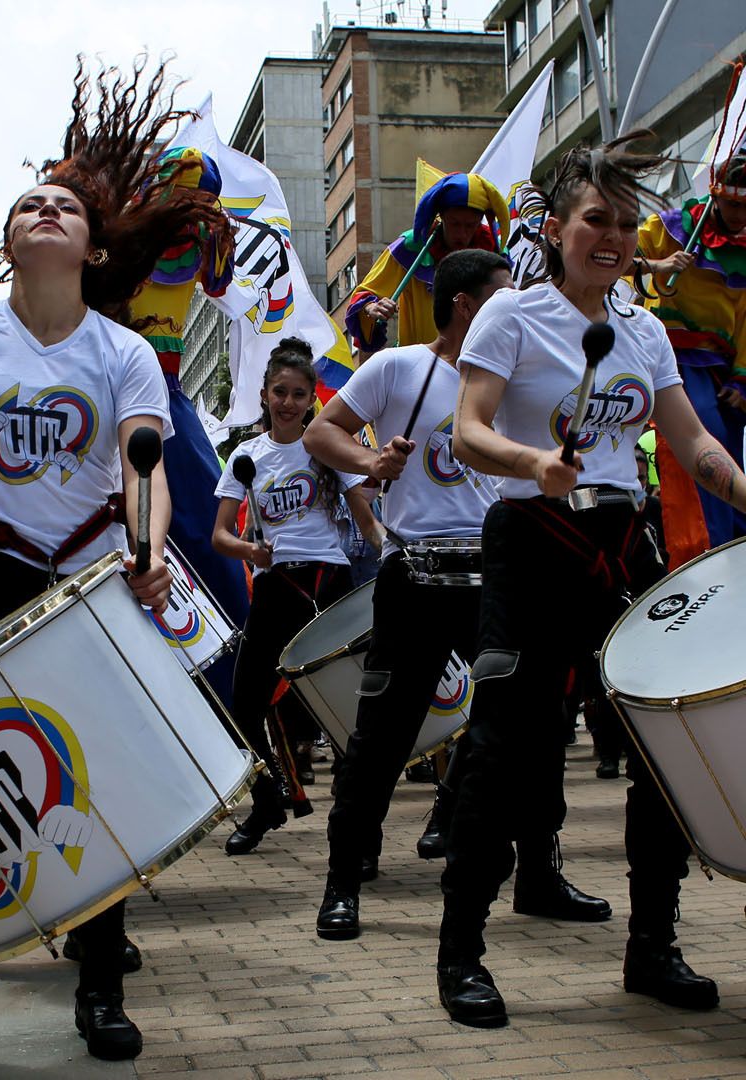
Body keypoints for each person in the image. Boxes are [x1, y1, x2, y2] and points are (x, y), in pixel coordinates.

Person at [0, 66, 217, 1074]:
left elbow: (144, 468)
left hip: (97, 587)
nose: (45, 210)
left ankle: (100, 988)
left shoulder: (123, 354)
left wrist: (149, 555)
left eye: (63, 204)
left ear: (94, 247)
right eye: (29, 203)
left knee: (95, 787)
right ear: (9, 240)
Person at [435, 135, 746, 1028]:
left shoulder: (645, 329)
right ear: (560, 229)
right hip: (531, 533)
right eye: (594, 221)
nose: (611, 237)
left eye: (624, 223)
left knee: (660, 744)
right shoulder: (512, 318)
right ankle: (462, 954)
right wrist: (535, 462)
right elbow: (468, 432)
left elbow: (694, 445)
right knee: (506, 748)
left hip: (621, 538)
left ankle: (653, 947)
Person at [307, 246, 607, 940]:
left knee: (534, 725)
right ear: (469, 305)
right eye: (506, 294)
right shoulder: (397, 367)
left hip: (504, 570)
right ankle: (343, 881)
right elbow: (324, 433)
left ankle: (538, 871)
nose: (523, 306)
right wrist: (370, 461)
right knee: (382, 735)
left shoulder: (526, 375)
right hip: (414, 575)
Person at [211, 341, 379, 852]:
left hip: (329, 587)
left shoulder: (325, 445)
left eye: (298, 394)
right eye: (279, 392)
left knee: (350, 713)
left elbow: (365, 517)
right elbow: (219, 535)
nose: (287, 402)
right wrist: (249, 551)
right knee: (243, 706)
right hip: (274, 587)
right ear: (264, 395)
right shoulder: (246, 456)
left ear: (311, 400)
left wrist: (390, 550)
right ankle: (267, 803)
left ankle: (357, 831)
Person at [635, 154, 746, 547]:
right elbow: (618, 262)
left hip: (726, 367)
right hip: (675, 359)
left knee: (733, 446)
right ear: (714, 195)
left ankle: (738, 544)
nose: (740, 214)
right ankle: (711, 547)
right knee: (708, 440)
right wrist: (659, 265)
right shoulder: (669, 227)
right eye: (734, 204)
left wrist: (742, 379)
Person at [345, 172, 509, 355]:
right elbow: (362, 295)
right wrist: (372, 308)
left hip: (481, 363)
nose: (462, 235)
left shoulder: (495, 251)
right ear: (442, 216)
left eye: (470, 225)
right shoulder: (409, 247)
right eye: (455, 224)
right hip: (420, 365)